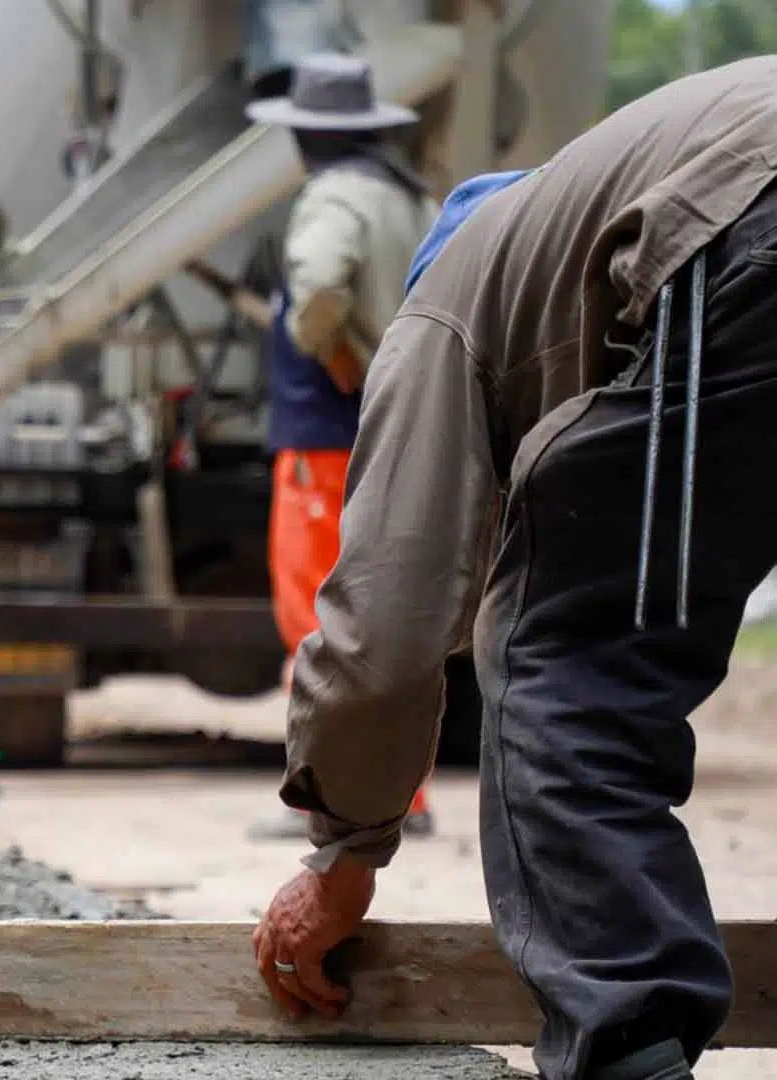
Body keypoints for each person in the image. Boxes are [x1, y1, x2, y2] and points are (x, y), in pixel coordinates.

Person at [250, 58, 777, 1080]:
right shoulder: (562, 232)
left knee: (562, 671)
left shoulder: (448, 304)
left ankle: (632, 1051)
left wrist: (344, 852)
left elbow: (386, 624)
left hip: (752, 220)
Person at [244, 53, 439, 843]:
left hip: (326, 438)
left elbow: (321, 288)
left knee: (316, 620)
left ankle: (328, 799)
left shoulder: (332, 197)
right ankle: (403, 796)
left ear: (305, 136)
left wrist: (325, 347)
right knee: (387, 622)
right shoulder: (410, 198)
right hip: (394, 432)